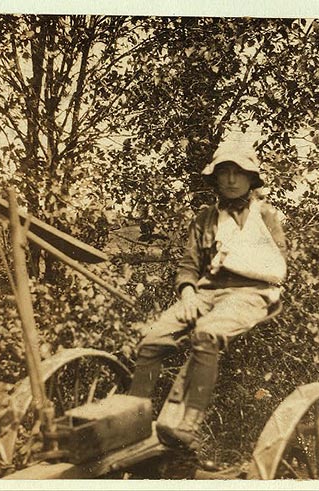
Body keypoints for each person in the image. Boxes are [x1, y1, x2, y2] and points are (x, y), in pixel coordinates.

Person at [127, 139, 288, 450]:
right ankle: (131, 416)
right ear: (215, 177)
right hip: (206, 292)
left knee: (207, 334)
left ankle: (189, 421)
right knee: (151, 340)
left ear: (251, 179)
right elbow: (189, 266)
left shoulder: (265, 216)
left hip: (251, 294)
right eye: (224, 172)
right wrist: (187, 294)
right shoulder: (204, 219)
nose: (230, 180)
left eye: (237, 173)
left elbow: (275, 266)